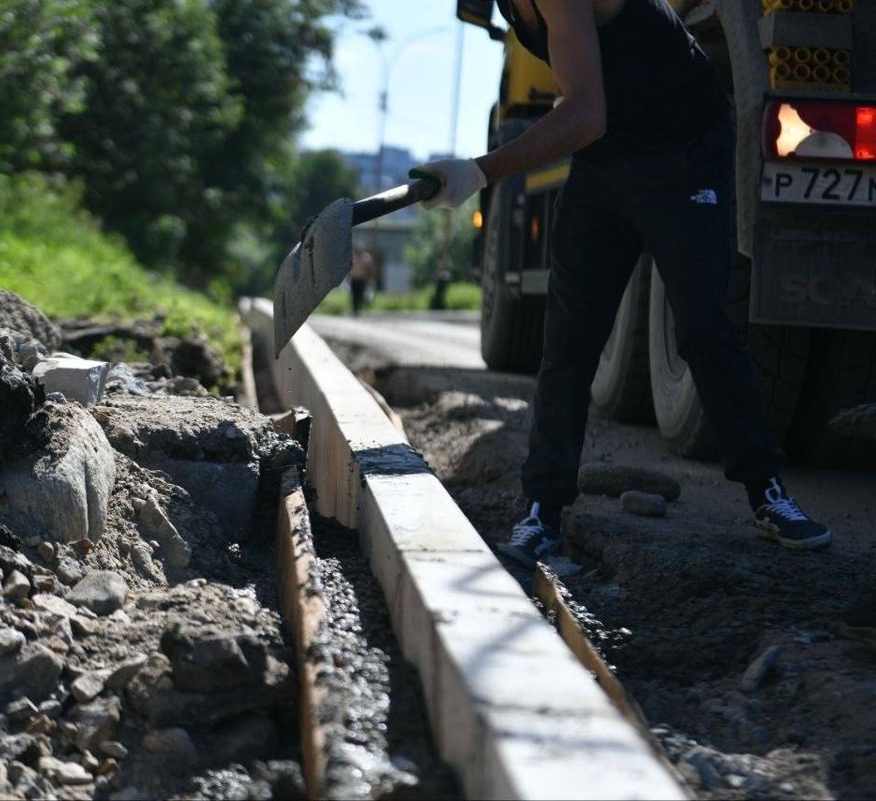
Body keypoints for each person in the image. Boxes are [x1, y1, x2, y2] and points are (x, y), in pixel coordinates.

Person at [409, 0, 831, 567]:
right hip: (606, 161)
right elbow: (584, 90)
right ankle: (542, 513)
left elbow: (585, 115)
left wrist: (479, 170)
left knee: (704, 326)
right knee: (568, 343)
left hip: (680, 149)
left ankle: (769, 495)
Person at [348, 243, 374, 316]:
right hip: (354, 279)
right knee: (354, 294)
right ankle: (354, 309)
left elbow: (370, 269)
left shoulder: (366, 257)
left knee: (360, 294)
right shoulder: (353, 257)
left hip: (362, 279)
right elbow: (349, 268)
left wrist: (369, 278)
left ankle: (358, 308)